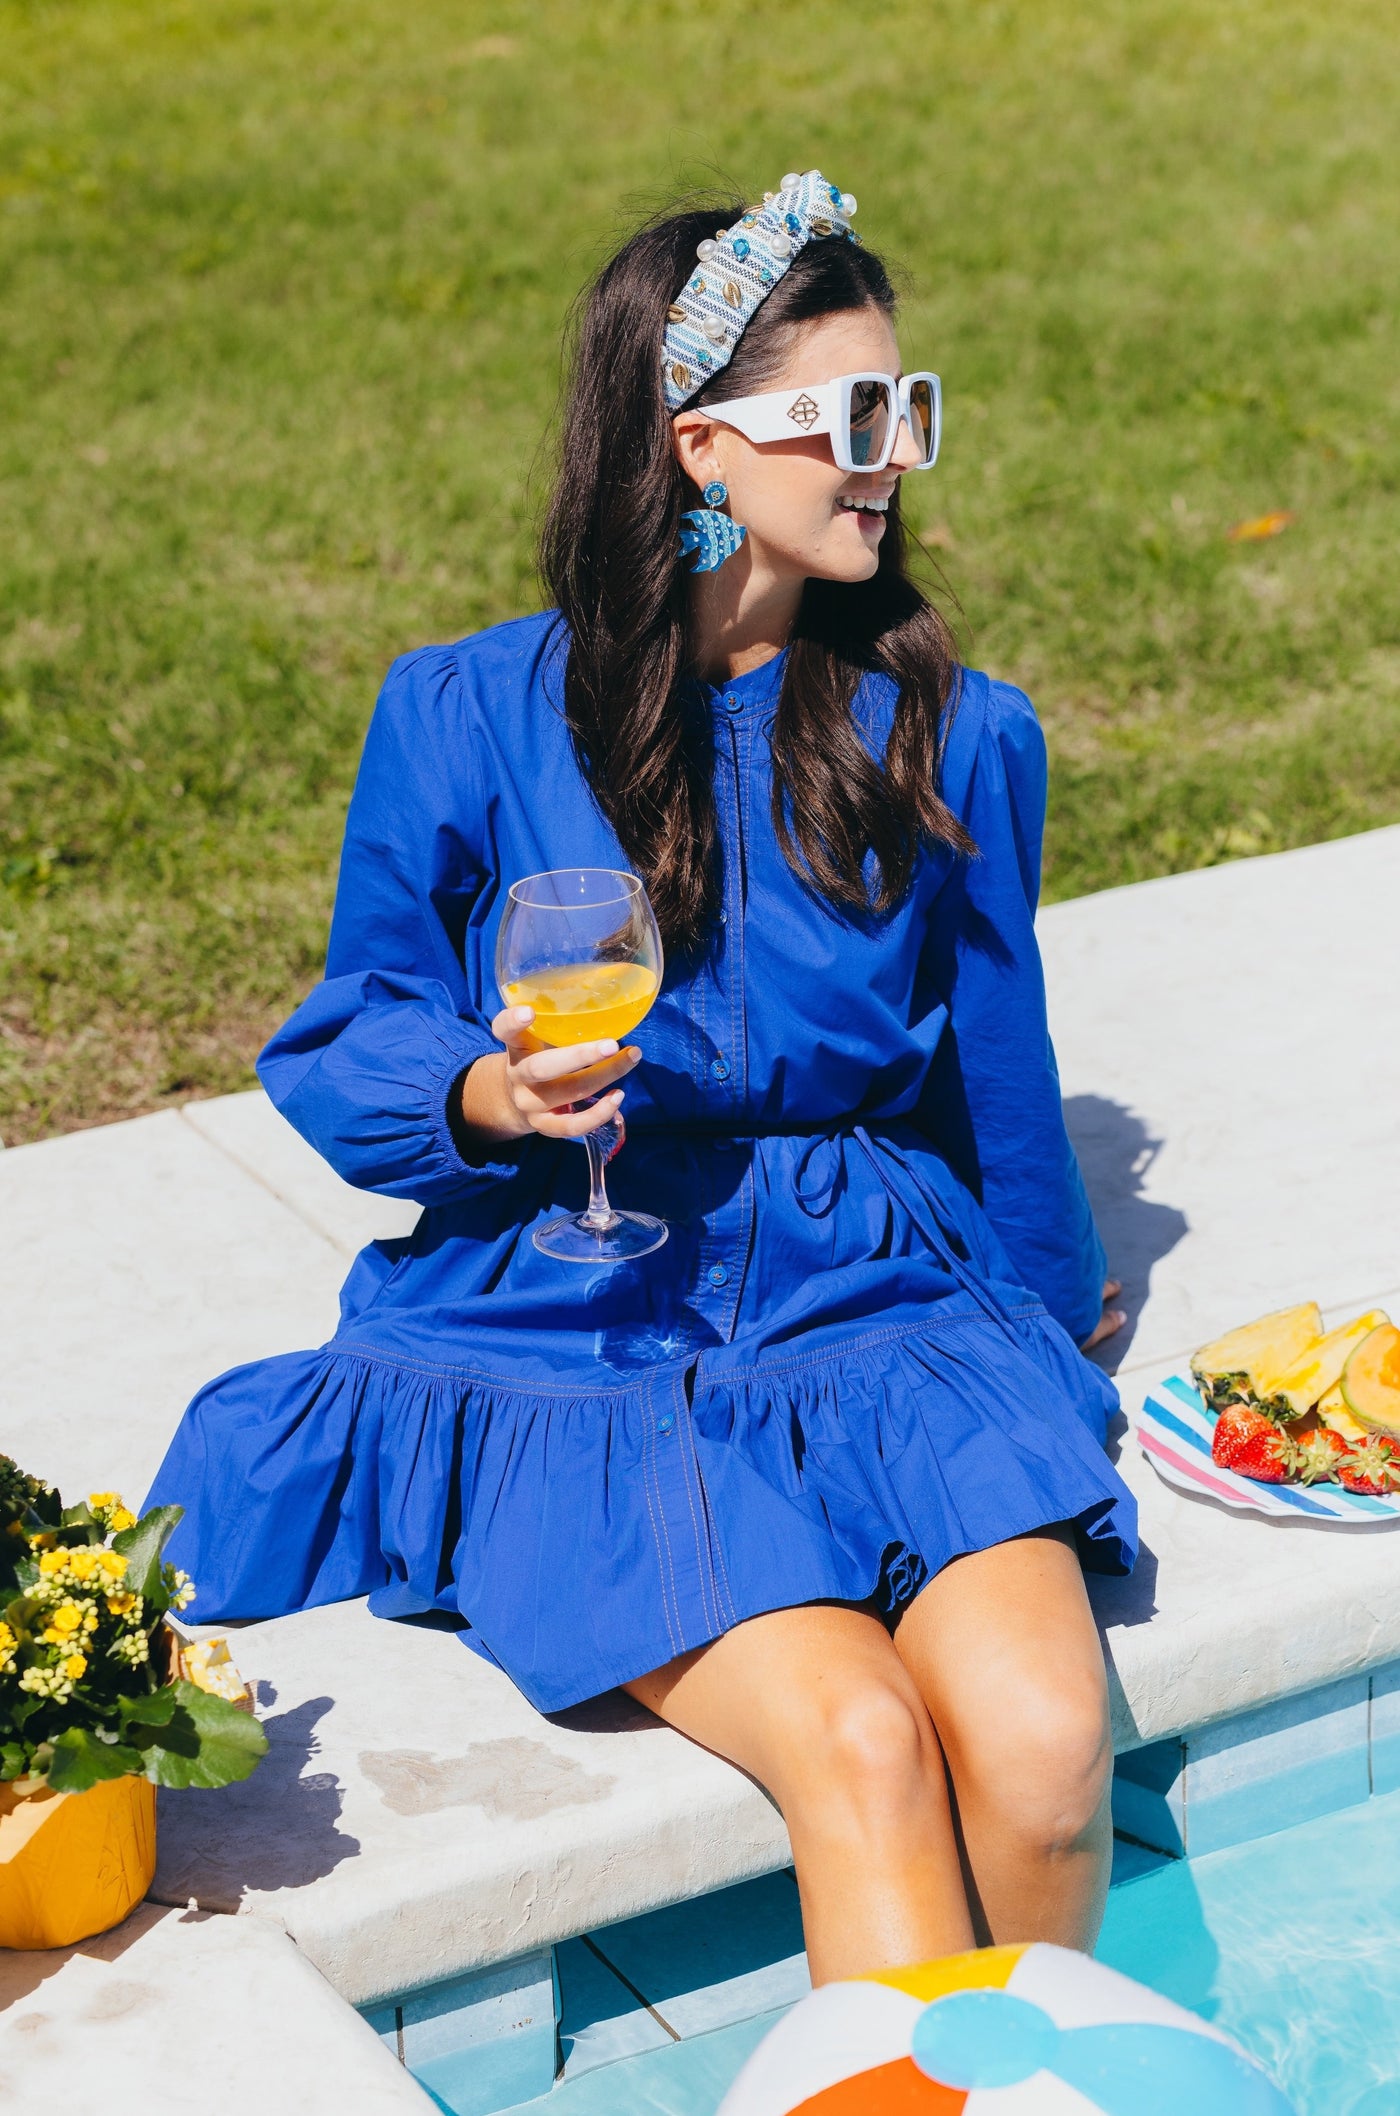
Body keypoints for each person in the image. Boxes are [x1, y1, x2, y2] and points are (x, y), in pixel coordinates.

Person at [148, 170, 1135, 1979]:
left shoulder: (954, 731)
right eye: (850, 417)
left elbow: (997, 1072)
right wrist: (482, 1099)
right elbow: (354, 1020)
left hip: (877, 1298)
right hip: (583, 1312)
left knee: (1056, 1756)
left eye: (910, 409)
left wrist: (1046, 1324)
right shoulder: (466, 716)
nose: (891, 456)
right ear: (699, 447)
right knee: (861, 1749)